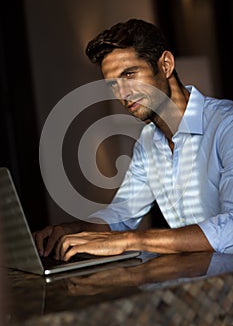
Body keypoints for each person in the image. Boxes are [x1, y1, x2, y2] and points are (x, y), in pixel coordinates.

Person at [33, 19, 233, 260]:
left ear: (166, 65)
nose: (123, 93)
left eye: (130, 74)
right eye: (113, 84)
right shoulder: (148, 141)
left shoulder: (226, 124)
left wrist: (128, 241)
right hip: (198, 285)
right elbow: (122, 215)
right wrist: (70, 230)